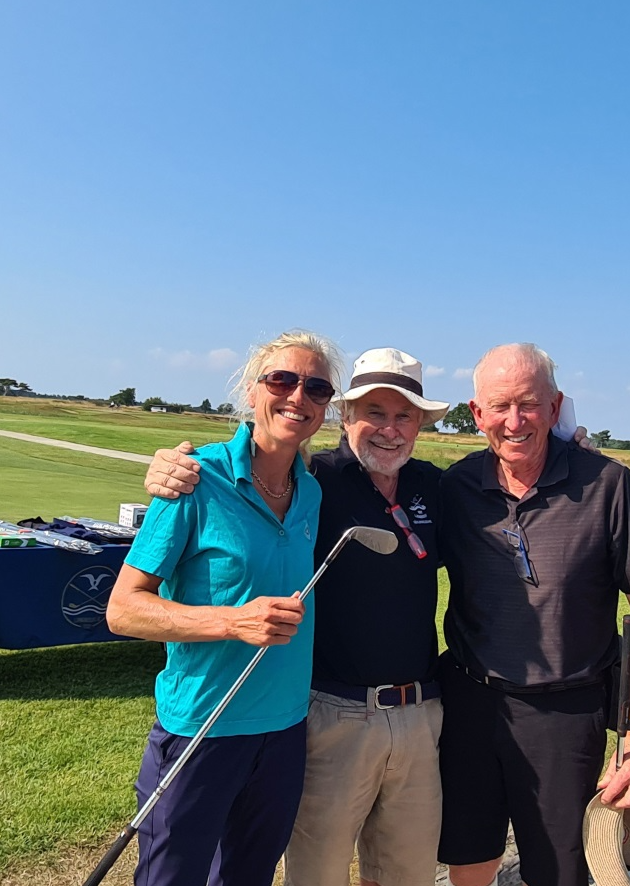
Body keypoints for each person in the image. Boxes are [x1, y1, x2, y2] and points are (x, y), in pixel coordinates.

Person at [144, 347, 592, 886]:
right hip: (333, 714)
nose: (390, 430)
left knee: (406, 874)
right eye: (374, 413)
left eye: (405, 416)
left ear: (421, 425)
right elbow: (257, 463)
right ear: (346, 416)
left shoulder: (436, 486)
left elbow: (512, 471)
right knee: (319, 875)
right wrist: (170, 465)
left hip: (421, 714)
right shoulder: (314, 480)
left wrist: (567, 445)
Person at [106, 330, 345, 886]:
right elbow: (123, 609)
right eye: (282, 380)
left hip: (285, 729)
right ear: (251, 391)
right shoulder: (196, 478)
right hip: (202, 727)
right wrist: (233, 621)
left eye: (316, 388)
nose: (298, 397)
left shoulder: (310, 491)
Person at [438, 343, 630, 886]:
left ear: (555, 406)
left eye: (529, 404)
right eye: (500, 406)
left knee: (560, 871)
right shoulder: (455, 487)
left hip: (566, 715)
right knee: (469, 859)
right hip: (470, 704)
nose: (514, 421)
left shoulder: (606, 484)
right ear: (476, 413)